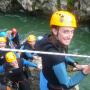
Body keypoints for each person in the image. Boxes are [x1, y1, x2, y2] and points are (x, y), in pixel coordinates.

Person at [35, 10, 90, 90]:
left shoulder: (48, 38)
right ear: (55, 31)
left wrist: (74, 64)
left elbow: (61, 55)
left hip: (45, 76)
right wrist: (86, 71)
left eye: (72, 31)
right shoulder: (56, 57)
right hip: (52, 86)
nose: (70, 36)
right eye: (66, 31)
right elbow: (66, 85)